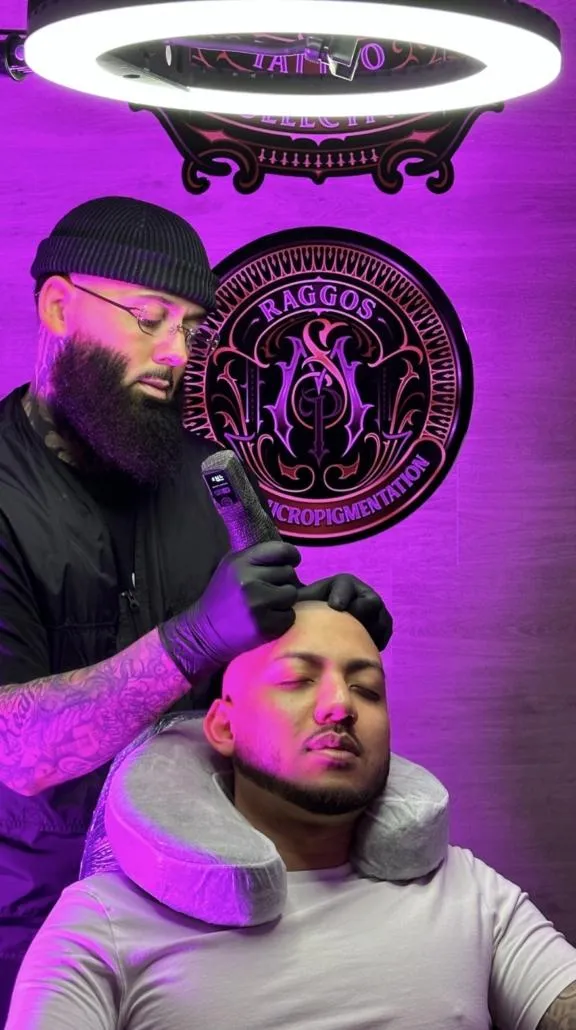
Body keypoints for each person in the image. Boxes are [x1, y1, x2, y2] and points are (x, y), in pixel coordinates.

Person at [0, 196, 391, 1023]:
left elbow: (254, 689)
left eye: (191, 329)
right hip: (27, 929)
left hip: (203, 915)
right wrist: (192, 639)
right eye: (149, 320)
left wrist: (315, 626)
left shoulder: (206, 477)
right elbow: (16, 752)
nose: (177, 353)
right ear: (59, 307)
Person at [5, 598, 576, 1030]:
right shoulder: (102, 922)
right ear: (223, 725)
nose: (340, 705)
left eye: (367, 690)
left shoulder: (468, 889)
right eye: (299, 680)